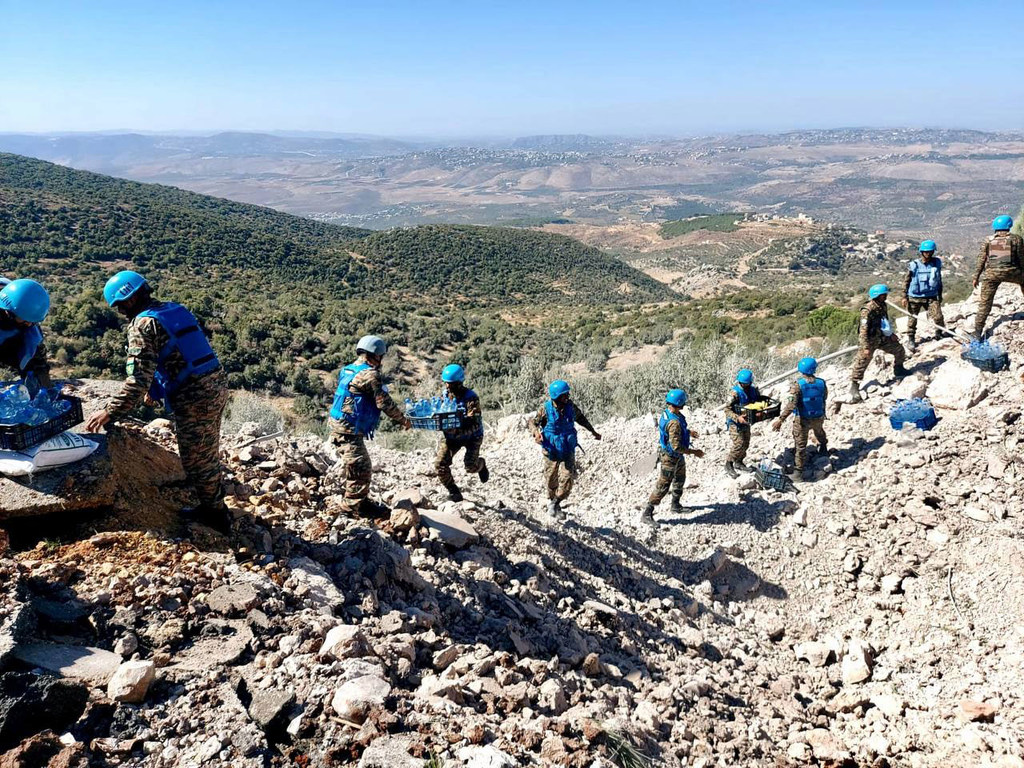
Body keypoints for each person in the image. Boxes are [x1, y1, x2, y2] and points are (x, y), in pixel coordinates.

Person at [84, 271, 231, 532]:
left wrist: (109, 412)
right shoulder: (172, 308)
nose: (120, 312)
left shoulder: (142, 325)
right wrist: (157, 388)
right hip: (214, 382)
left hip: (196, 395)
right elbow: (177, 353)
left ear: (127, 301)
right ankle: (212, 502)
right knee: (204, 450)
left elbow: (136, 382)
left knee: (198, 458)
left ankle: (216, 517)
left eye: (119, 307)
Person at [327, 335, 411, 520]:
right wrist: (403, 420)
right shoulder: (370, 375)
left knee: (357, 464)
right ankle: (351, 508)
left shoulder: (348, 369)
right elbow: (384, 403)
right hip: (348, 429)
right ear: (377, 355)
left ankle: (360, 501)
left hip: (340, 424)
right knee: (361, 466)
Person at [529, 380, 601, 518]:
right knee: (551, 478)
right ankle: (552, 500)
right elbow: (533, 422)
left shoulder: (571, 406)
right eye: (564, 395)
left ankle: (556, 503)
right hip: (551, 448)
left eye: (567, 394)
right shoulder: (546, 408)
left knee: (568, 479)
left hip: (568, 447)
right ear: (556, 396)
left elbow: (581, 419)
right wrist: (536, 432)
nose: (567, 396)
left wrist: (593, 432)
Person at [641, 389, 703, 527]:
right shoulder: (674, 422)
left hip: (675, 456)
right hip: (670, 457)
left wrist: (688, 432)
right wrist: (694, 452)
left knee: (680, 479)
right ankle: (647, 513)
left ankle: (675, 505)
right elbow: (676, 446)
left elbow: (673, 432)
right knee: (663, 485)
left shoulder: (668, 413)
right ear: (680, 403)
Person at [433, 363, 489, 502]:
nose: (447, 387)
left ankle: (481, 465)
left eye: (451, 384)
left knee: (470, 466)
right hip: (452, 437)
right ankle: (453, 491)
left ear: (459, 383)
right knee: (440, 464)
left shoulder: (471, 398)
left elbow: (475, 423)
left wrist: (460, 431)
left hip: (472, 436)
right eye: (446, 384)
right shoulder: (445, 396)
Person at [849, 284, 907, 403]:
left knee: (899, 349)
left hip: (881, 337)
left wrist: (891, 334)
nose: (885, 296)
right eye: (882, 295)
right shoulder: (867, 310)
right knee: (862, 362)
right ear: (876, 296)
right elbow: (863, 330)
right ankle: (854, 386)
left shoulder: (882, 306)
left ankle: (899, 369)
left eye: (885, 294)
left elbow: (884, 322)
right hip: (869, 341)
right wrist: (865, 347)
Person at [772, 357, 827, 482]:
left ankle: (798, 473)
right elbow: (824, 397)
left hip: (803, 419)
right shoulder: (822, 383)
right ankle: (823, 448)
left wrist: (781, 420)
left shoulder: (798, 386)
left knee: (800, 445)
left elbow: (791, 405)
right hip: (818, 416)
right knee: (819, 431)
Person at [971, 215, 1024, 341]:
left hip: (991, 275)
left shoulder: (988, 240)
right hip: (1012, 272)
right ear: (1009, 226)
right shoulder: (1016, 239)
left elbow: (981, 260)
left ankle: (977, 331)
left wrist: (976, 277)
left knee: (985, 303)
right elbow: (1022, 258)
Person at [0, 278, 52, 392]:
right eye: (24, 320)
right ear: (9, 312)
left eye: (32, 321)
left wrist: (43, 390)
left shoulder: (28, 320)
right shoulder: (13, 303)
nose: (28, 324)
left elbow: (38, 363)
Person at [722, 368, 770, 478]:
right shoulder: (735, 393)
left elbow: (758, 401)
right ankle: (729, 464)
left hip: (747, 420)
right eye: (743, 383)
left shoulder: (753, 390)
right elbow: (727, 410)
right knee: (738, 443)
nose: (745, 385)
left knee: (746, 443)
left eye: (747, 383)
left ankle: (739, 462)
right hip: (735, 422)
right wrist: (737, 417)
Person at [902, 240, 944, 353]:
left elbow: (939, 280)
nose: (928, 254)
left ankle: (939, 333)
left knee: (938, 317)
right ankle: (911, 339)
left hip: (931, 296)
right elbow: (906, 281)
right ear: (922, 252)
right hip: (914, 297)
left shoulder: (936, 263)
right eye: (926, 252)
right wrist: (904, 296)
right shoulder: (914, 265)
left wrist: (940, 295)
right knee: (912, 320)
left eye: (930, 251)